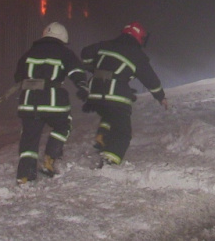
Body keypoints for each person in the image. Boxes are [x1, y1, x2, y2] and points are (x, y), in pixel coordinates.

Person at [80, 21, 168, 167]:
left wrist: (94, 68)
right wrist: (161, 96)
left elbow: (85, 53)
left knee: (110, 113)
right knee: (123, 132)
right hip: (114, 92)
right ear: (139, 37)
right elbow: (150, 78)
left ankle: (103, 134)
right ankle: (110, 160)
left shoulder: (105, 44)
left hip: (94, 91)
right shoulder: (136, 54)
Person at [14, 22, 89, 184]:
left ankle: (25, 175)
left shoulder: (29, 53)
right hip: (52, 102)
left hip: (29, 102)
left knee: (29, 137)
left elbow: (18, 77)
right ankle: (49, 159)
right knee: (63, 125)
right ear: (63, 38)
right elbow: (76, 71)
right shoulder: (64, 52)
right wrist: (82, 86)